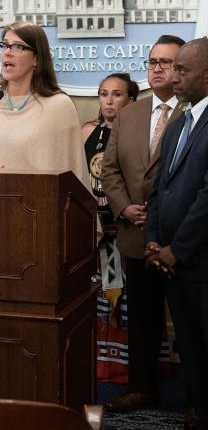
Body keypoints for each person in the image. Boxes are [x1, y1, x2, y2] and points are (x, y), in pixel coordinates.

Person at [101, 35, 186, 412]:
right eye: (152, 61)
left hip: (183, 242)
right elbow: (109, 169)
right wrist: (124, 207)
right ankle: (142, 388)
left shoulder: (195, 112)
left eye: (166, 62)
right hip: (136, 236)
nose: (156, 68)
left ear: (184, 68)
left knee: (189, 322)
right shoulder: (130, 113)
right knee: (142, 321)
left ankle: (197, 401)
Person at [145, 37, 208, 430]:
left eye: (183, 70)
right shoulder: (179, 121)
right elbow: (158, 188)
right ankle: (198, 409)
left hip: (199, 260)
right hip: (170, 258)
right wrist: (154, 239)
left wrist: (176, 250)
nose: (173, 77)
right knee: (188, 345)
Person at [0, 21, 91, 192]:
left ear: (37, 59)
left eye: (17, 47)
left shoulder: (59, 106)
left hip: (38, 208)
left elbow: (73, 175)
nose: (7, 52)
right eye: (4, 45)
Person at [82, 73, 139, 383]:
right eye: (103, 94)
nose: (109, 101)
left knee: (124, 294)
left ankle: (122, 368)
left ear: (131, 99)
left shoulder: (139, 133)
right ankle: (99, 363)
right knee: (97, 291)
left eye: (117, 95)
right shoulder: (86, 131)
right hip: (93, 225)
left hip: (126, 226)